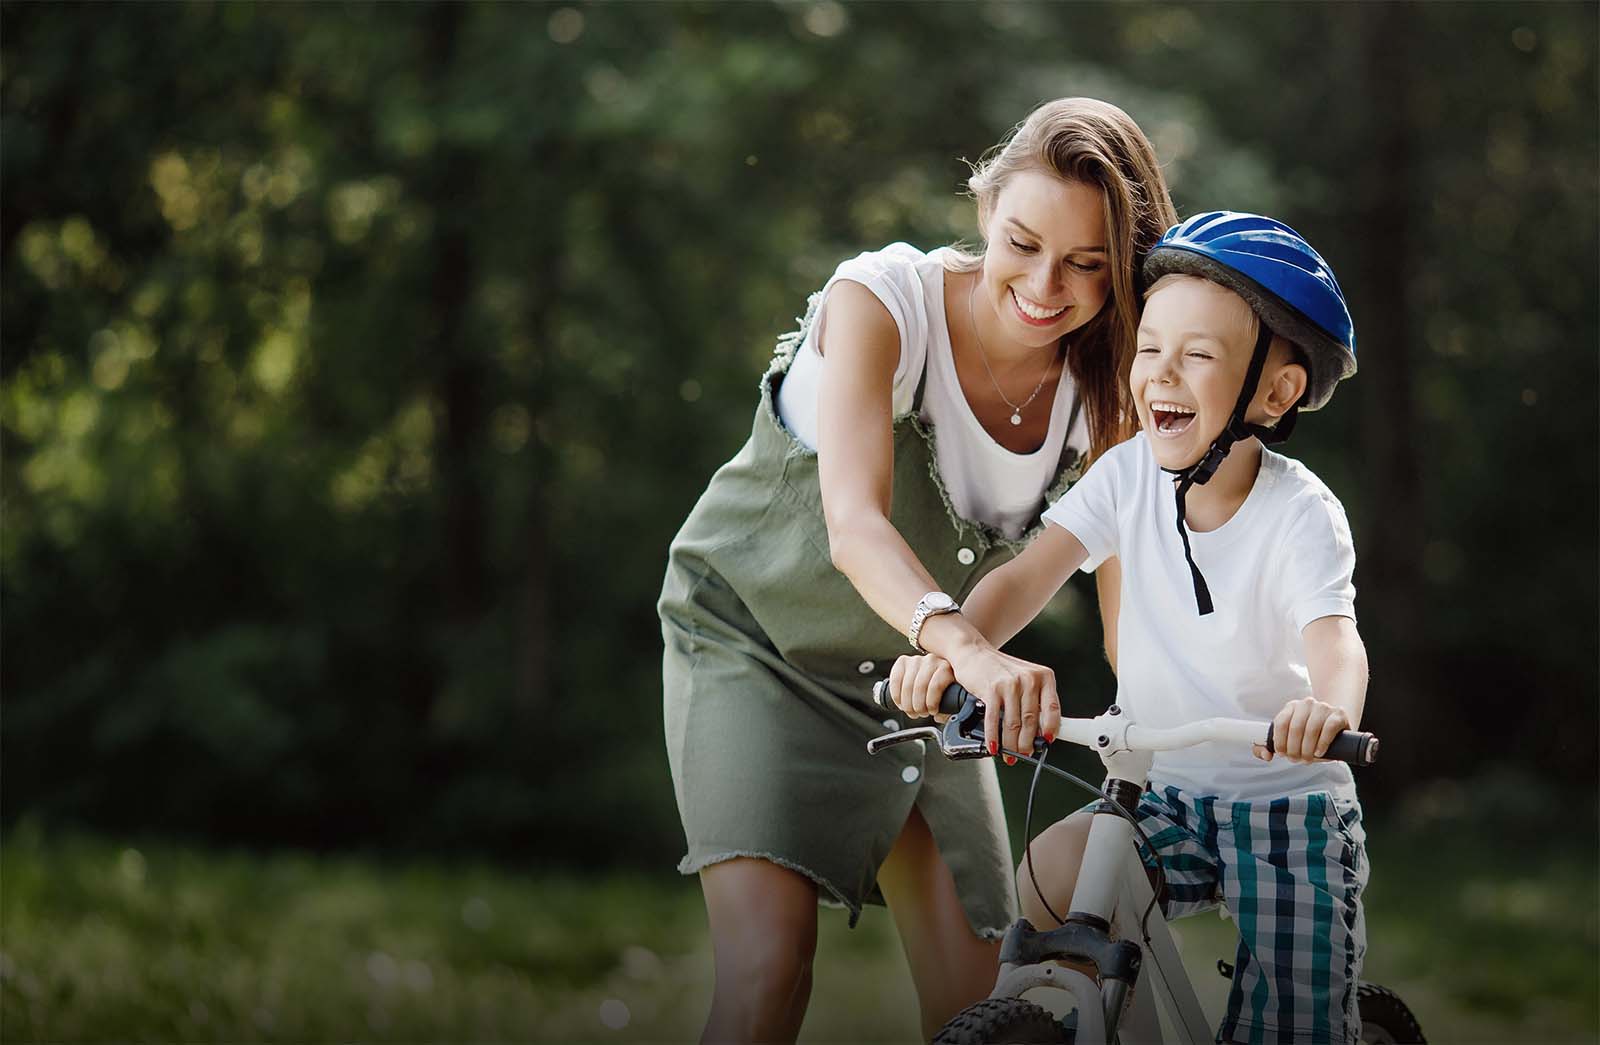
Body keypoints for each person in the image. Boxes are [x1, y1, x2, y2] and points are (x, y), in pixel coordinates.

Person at [658, 97, 1176, 1042]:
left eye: (1086, 265)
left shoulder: (1107, 391)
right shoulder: (880, 302)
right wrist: (975, 655)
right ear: (984, 209)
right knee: (769, 971)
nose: (1044, 284)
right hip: (762, 647)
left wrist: (1168, 715)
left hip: (930, 691)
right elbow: (854, 527)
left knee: (990, 1006)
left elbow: (1123, 595)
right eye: (1022, 242)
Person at [888, 210, 1369, 1044]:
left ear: (1275, 391)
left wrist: (1328, 710)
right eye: (1150, 347)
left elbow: (1335, 638)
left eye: (1198, 355)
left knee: (1293, 1023)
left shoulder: (1301, 513)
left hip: (1283, 804)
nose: (1160, 375)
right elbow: (1025, 576)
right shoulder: (1127, 475)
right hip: (1165, 790)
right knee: (1048, 884)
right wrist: (951, 650)